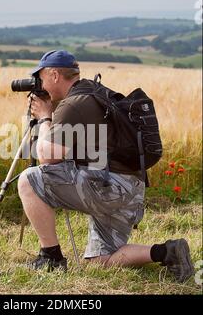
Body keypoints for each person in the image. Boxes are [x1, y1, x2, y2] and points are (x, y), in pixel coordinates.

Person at [17, 50, 194, 282]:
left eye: (40, 78)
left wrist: (44, 117)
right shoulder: (95, 93)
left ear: (54, 75)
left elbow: (47, 156)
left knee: (29, 179)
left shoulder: (72, 105)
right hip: (130, 189)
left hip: (108, 188)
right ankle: (167, 251)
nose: (39, 84)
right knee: (100, 261)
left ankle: (51, 258)